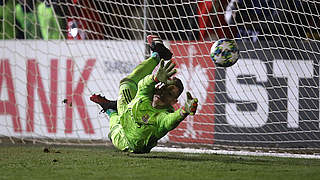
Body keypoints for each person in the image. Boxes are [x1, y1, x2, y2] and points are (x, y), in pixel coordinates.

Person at [90, 35, 198, 153]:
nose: (163, 93)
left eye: (170, 94)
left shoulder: (162, 117)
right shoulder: (146, 95)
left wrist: (184, 111)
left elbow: (170, 121)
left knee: (113, 128)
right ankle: (157, 55)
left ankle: (109, 109)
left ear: (174, 102)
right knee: (126, 83)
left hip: (126, 141)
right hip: (126, 108)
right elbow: (143, 84)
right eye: (163, 87)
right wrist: (155, 78)